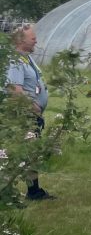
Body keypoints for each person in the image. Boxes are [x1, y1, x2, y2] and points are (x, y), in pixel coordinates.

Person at [6, 24, 53, 200]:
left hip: (34, 114)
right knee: (27, 151)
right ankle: (30, 191)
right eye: (33, 39)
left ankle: (34, 190)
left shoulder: (27, 58)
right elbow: (14, 89)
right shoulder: (15, 61)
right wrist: (34, 107)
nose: (36, 41)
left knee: (32, 151)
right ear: (21, 40)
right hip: (25, 116)